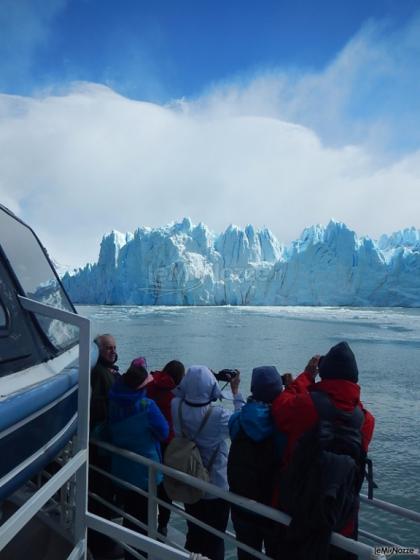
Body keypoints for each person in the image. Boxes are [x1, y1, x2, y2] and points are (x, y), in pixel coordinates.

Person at [272, 342, 375, 560]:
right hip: (341, 521)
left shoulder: (306, 405)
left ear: (325, 372)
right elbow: (345, 406)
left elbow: (279, 409)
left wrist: (306, 377)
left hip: (297, 516)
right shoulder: (366, 420)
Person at [171, 365, 244, 560]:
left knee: (195, 531)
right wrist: (236, 392)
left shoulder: (175, 406)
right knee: (215, 538)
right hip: (215, 485)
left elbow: (187, 390)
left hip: (190, 478)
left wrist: (206, 381)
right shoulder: (218, 416)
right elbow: (241, 424)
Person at [108, 358, 169, 560]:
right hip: (145, 473)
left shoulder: (114, 402)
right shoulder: (146, 405)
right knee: (144, 520)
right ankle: (138, 555)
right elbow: (163, 431)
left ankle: (129, 552)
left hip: (121, 468)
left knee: (130, 516)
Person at [228, 366, 287, 560]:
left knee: (246, 554)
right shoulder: (281, 424)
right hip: (271, 506)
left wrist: (236, 393)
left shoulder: (238, 421)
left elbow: (241, 414)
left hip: (242, 504)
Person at [88, 334, 121, 559]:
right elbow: (97, 405)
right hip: (101, 442)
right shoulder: (99, 373)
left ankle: (101, 532)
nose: (112, 351)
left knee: (104, 489)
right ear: (98, 350)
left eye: (114, 347)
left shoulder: (108, 371)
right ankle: (100, 540)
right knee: (101, 489)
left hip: (103, 442)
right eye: (108, 347)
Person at [146, 360, 185, 535]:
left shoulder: (151, 382)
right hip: (167, 443)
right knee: (166, 488)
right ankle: (162, 524)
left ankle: (147, 519)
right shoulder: (174, 397)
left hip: (149, 439)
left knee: (149, 481)